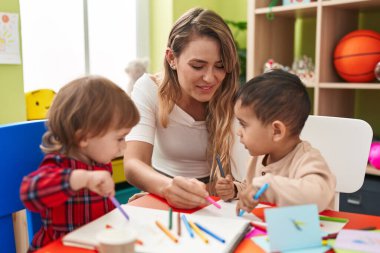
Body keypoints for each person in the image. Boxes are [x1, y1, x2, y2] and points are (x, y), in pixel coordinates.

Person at [124, 7, 248, 209]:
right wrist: (164, 189)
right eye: (198, 66)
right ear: (172, 58)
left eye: (220, 65)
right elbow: (133, 164)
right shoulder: (148, 89)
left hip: (217, 199)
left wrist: (191, 193)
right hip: (163, 186)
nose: (210, 78)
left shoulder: (234, 98)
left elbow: (244, 176)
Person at [20, 76, 140, 252]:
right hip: (60, 247)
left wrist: (123, 208)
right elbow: (29, 193)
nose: (124, 146)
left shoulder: (100, 162)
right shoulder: (58, 164)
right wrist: (81, 178)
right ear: (83, 137)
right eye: (120, 138)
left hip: (92, 243)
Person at [234, 70, 336, 214]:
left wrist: (268, 186)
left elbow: (318, 195)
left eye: (243, 124)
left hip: (311, 233)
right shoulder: (257, 157)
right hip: (269, 231)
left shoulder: (308, 159)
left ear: (276, 131)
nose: (238, 131)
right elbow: (251, 187)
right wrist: (236, 190)